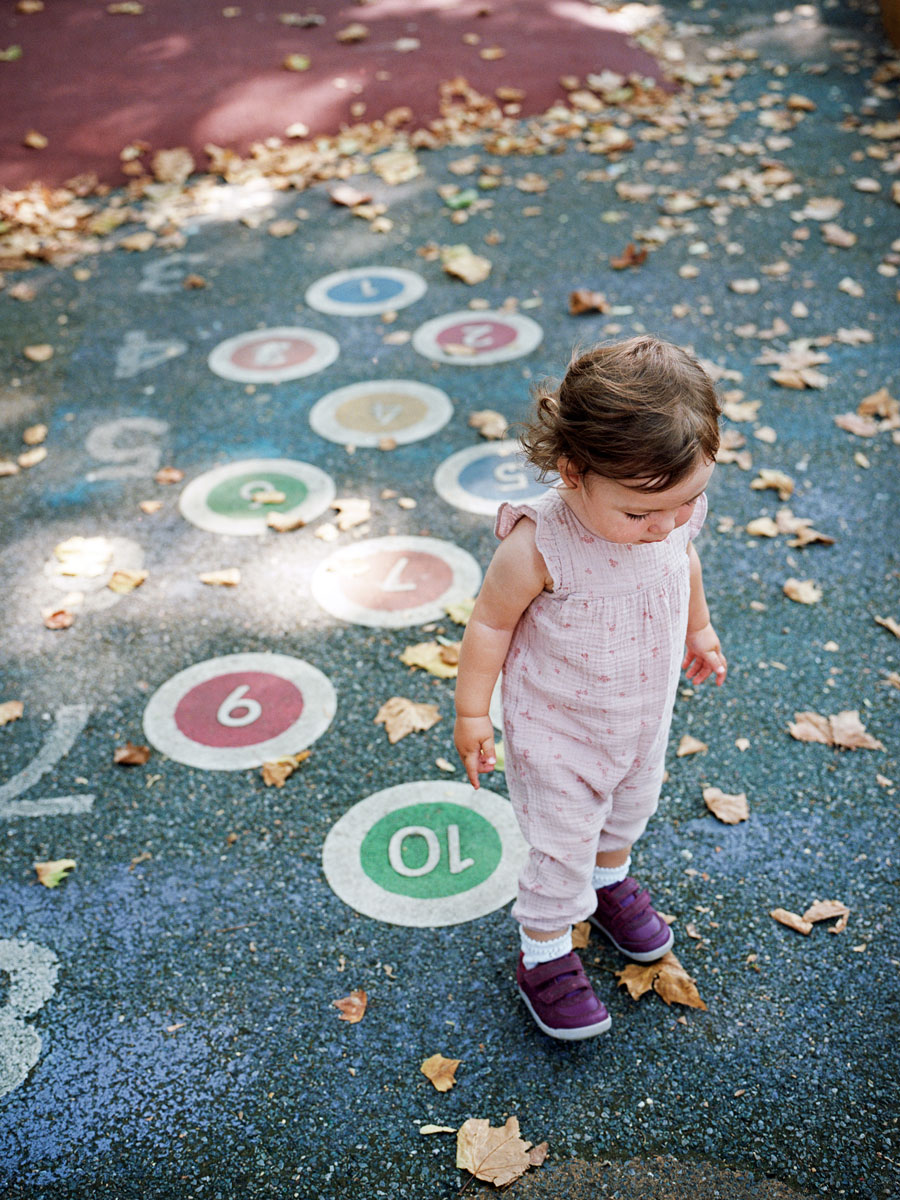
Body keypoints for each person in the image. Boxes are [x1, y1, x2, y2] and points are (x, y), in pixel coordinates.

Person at [454, 335, 727, 1040]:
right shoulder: (538, 544)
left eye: (686, 500)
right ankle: (543, 952)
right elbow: (489, 626)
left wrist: (698, 630)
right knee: (558, 845)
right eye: (640, 513)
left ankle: (609, 882)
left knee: (630, 808)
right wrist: (471, 713)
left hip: (642, 715)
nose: (663, 524)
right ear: (574, 472)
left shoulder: (669, 512)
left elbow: (684, 562)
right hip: (559, 731)